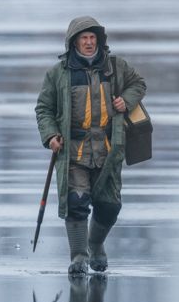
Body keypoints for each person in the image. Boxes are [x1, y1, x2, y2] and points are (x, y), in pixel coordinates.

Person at [35, 16, 147, 274]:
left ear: (99, 40)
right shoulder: (58, 74)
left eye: (92, 38)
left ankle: (95, 245)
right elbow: (44, 109)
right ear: (73, 42)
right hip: (73, 149)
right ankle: (78, 258)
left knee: (110, 205)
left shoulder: (116, 67)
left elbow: (138, 84)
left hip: (109, 148)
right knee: (76, 201)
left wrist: (126, 101)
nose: (88, 42)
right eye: (83, 38)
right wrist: (51, 135)